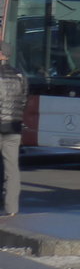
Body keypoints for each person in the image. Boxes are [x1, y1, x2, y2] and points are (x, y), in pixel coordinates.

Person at [0, 47, 29, 216]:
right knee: (12, 168)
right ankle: (12, 209)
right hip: (14, 127)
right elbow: (24, 100)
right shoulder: (20, 75)